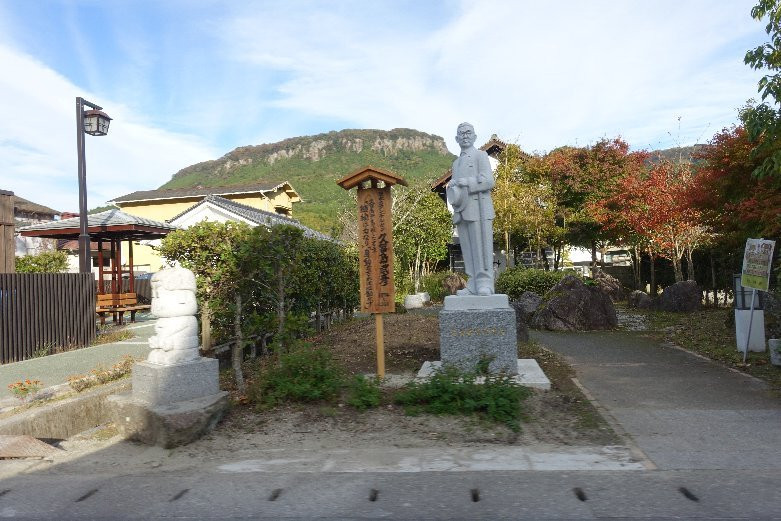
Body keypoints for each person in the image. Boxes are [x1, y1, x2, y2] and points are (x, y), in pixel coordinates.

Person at [446, 122, 495, 296]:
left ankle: (485, 283)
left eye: (468, 133)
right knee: (467, 248)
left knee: (482, 246)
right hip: (462, 209)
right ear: (456, 138)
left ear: (474, 136)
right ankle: (473, 283)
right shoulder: (456, 163)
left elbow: (489, 181)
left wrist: (468, 183)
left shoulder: (481, 156)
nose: (465, 136)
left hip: (479, 208)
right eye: (461, 133)